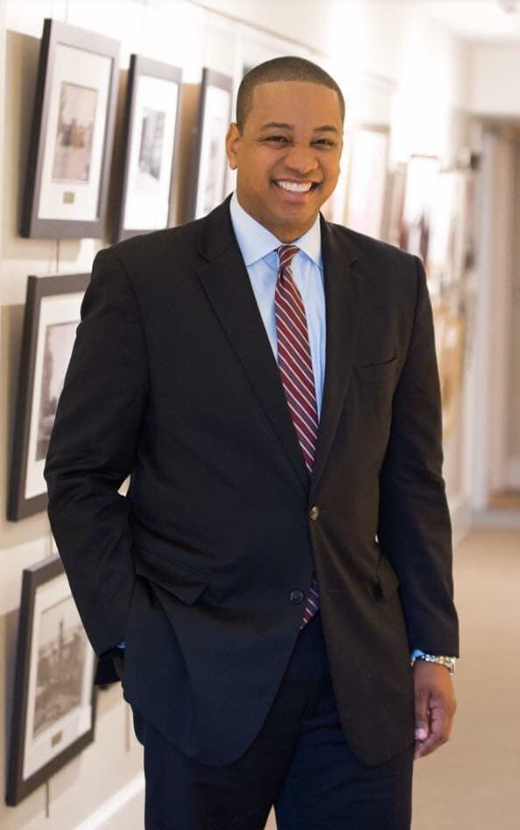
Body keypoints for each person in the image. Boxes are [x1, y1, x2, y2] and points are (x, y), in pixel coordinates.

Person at [45, 56, 458, 830]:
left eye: (323, 141)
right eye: (278, 137)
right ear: (234, 143)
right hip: (199, 671)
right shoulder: (144, 279)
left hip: (358, 673)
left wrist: (431, 646)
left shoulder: (392, 282)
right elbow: (79, 477)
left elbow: (413, 481)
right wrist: (133, 639)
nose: (302, 160)